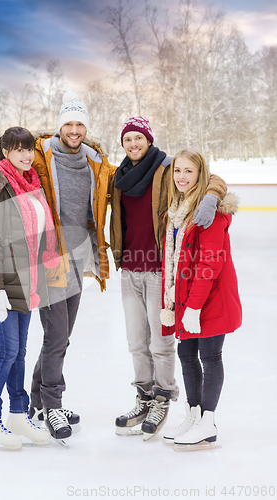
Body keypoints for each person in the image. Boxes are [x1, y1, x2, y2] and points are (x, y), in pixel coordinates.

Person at [0, 93, 116, 442]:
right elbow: (0, 178)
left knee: (60, 338)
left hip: (72, 258)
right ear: (59, 126)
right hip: (45, 264)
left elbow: (140, 175)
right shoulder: (38, 157)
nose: (74, 129)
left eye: (80, 123)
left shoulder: (96, 161)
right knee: (52, 338)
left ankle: (33, 403)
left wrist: (213, 188)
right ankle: (50, 405)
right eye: (68, 123)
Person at [110, 117, 228, 440]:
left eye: (139, 138)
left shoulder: (165, 169)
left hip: (160, 270)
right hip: (130, 267)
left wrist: (210, 196)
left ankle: (163, 398)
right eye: (128, 139)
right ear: (123, 144)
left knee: (160, 343)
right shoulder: (117, 176)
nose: (133, 144)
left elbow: (207, 175)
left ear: (149, 140)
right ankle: (144, 398)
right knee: (136, 342)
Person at [0, 126, 61, 449]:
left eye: (29, 149)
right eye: (18, 149)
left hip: (27, 281)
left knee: (20, 352)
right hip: (3, 282)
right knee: (7, 351)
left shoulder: (32, 184)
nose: (26, 155)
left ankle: (18, 415)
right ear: (5, 153)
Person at [160, 148, 242, 450]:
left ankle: (208, 422)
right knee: (186, 355)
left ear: (200, 175)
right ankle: (193, 415)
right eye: (178, 171)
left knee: (209, 357)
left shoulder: (212, 211)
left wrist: (194, 306)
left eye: (189, 171)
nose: (182, 177)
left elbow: (210, 262)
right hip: (187, 297)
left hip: (210, 298)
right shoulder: (178, 207)